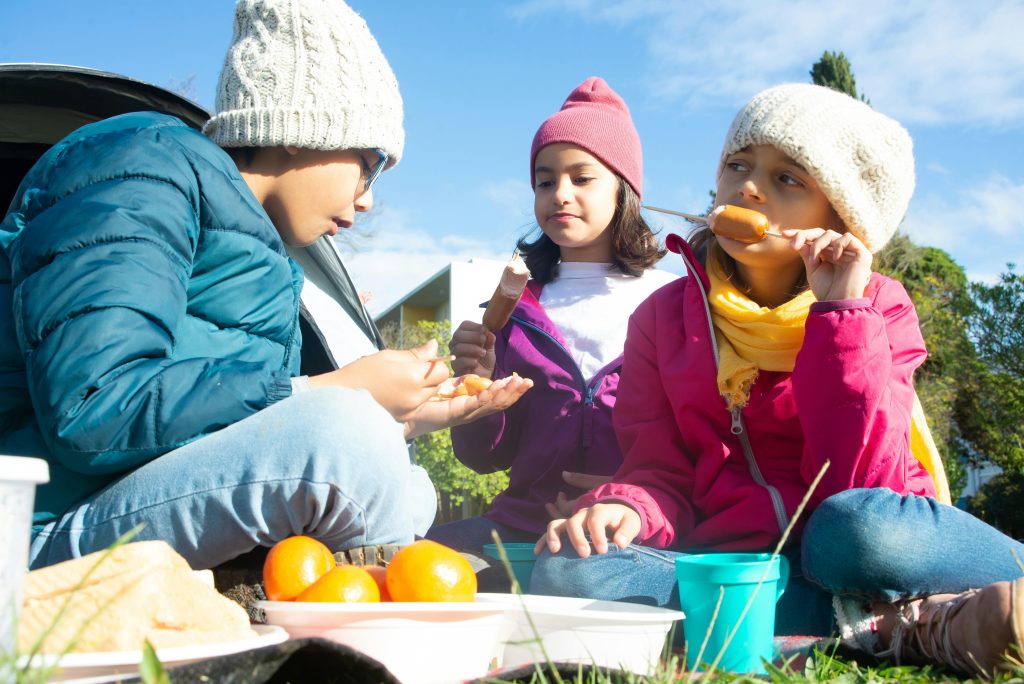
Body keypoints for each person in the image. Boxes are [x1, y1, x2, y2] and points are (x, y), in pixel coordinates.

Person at [0, 0, 530, 572]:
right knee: (342, 436)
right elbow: (91, 404)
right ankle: (387, 631)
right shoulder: (142, 168)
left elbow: (207, 425)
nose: (368, 197)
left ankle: (358, 617)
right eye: (370, 162)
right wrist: (330, 392)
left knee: (410, 480)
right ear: (301, 128)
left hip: (115, 508)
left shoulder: (271, 261)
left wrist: (403, 417)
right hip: (38, 527)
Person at [531, 83, 1024, 677]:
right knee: (569, 568)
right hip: (739, 562)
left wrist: (841, 315)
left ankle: (843, 618)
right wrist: (629, 508)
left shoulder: (881, 307)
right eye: (737, 166)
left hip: (870, 538)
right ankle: (896, 626)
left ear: (837, 216)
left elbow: (862, 479)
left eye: (788, 179)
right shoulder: (661, 321)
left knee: (848, 533)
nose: (749, 188)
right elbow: (658, 470)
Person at [426, 77, 676, 559]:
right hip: (520, 524)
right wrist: (475, 386)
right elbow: (484, 456)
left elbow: (693, 437)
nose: (560, 193)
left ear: (624, 190)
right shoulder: (517, 314)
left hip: (627, 526)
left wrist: (633, 496)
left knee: (583, 572)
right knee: (426, 562)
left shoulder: (673, 303)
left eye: (582, 178)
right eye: (545, 180)